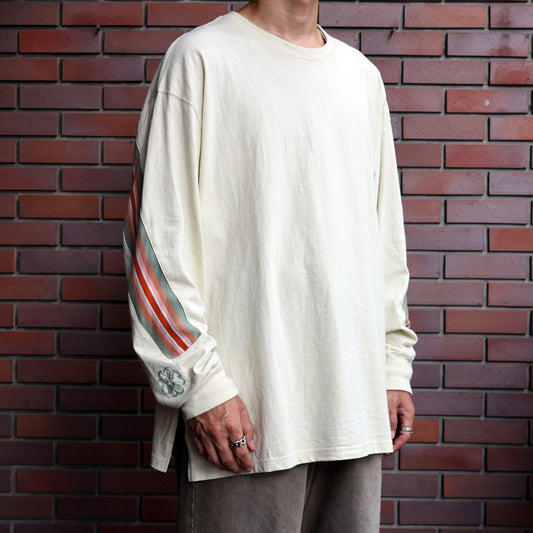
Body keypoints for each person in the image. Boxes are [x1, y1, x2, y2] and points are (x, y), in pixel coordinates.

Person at [123, 0, 417, 530]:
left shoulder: (361, 78)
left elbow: (384, 242)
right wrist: (202, 389)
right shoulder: (200, 59)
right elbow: (156, 243)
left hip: (354, 404)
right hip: (246, 417)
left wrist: (393, 365)